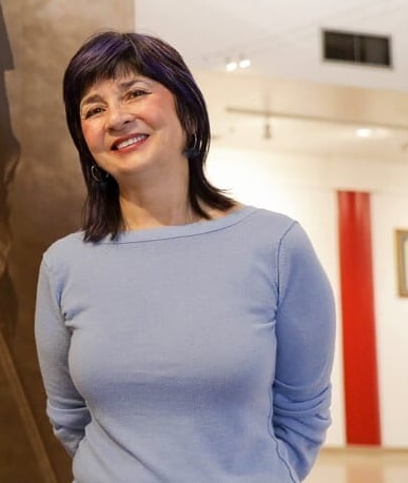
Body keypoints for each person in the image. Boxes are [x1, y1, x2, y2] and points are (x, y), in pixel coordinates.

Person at [34, 30, 336, 482]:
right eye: (94, 109)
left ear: (189, 114)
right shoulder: (64, 265)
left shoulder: (276, 245)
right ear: (87, 144)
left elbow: (303, 412)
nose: (115, 118)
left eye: (134, 93)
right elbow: (68, 416)